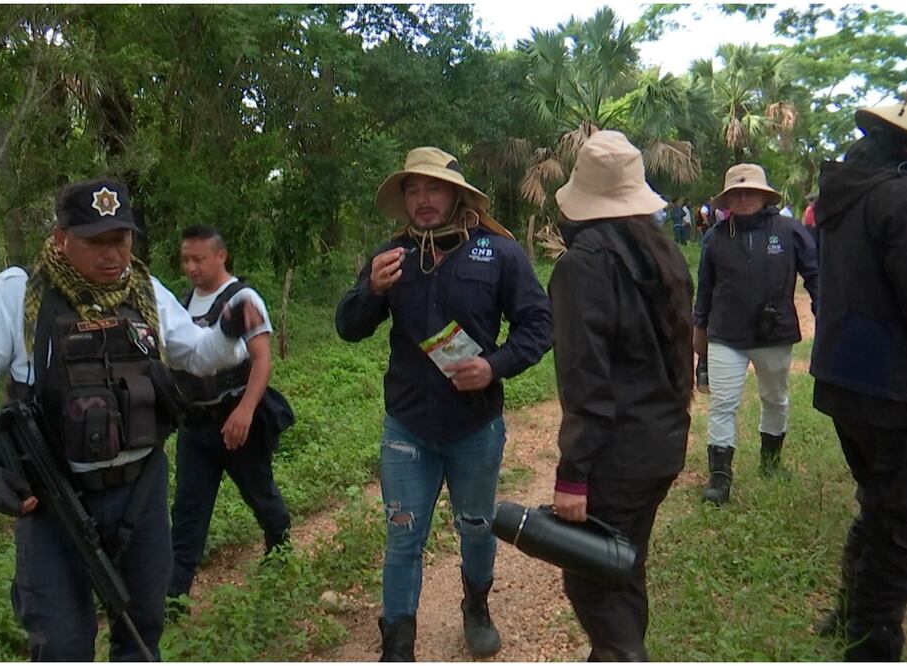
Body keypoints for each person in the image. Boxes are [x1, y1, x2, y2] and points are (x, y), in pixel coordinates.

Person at [0, 179, 260, 661]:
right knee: (62, 643)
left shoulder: (144, 290)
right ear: (60, 237)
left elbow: (196, 354)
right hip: (54, 502)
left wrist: (230, 329)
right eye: (96, 241)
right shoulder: (17, 295)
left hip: (141, 491)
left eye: (121, 240)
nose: (113, 255)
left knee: (142, 628)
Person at [335, 147, 551, 661]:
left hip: (475, 428)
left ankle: (476, 605)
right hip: (406, 426)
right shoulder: (390, 256)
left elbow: (539, 326)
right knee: (403, 536)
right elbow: (349, 328)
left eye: (432, 188)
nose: (422, 199)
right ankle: (398, 643)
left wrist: (492, 366)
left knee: (476, 527)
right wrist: (369, 290)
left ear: (455, 194)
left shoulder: (498, 252)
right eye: (412, 189)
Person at [548, 130, 693, 661]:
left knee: (591, 584)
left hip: (616, 458)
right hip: (661, 445)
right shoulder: (665, 255)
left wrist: (572, 475)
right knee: (622, 567)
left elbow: (586, 383)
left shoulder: (582, 266)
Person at [810, 80, 907, 661]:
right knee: (906, 528)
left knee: (878, 504)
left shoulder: (848, 189)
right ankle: (873, 644)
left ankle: (851, 612)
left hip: (846, 379)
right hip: (898, 389)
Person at [166, 225, 293, 613]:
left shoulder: (242, 299)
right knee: (188, 510)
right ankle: (173, 598)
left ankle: (280, 549)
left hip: (238, 420)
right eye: (185, 259)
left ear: (220, 256)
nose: (191, 267)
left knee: (260, 493)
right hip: (196, 426)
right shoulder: (182, 304)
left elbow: (262, 358)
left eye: (198, 258)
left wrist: (246, 410)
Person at [693, 163, 819, 504]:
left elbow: (815, 276)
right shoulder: (715, 237)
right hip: (725, 334)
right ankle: (719, 478)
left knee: (775, 398)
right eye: (737, 192)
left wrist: (825, 317)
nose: (744, 197)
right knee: (723, 403)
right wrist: (700, 339)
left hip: (774, 332)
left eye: (751, 191)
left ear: (765, 196)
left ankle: (771, 463)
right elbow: (704, 292)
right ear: (728, 199)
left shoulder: (790, 230)